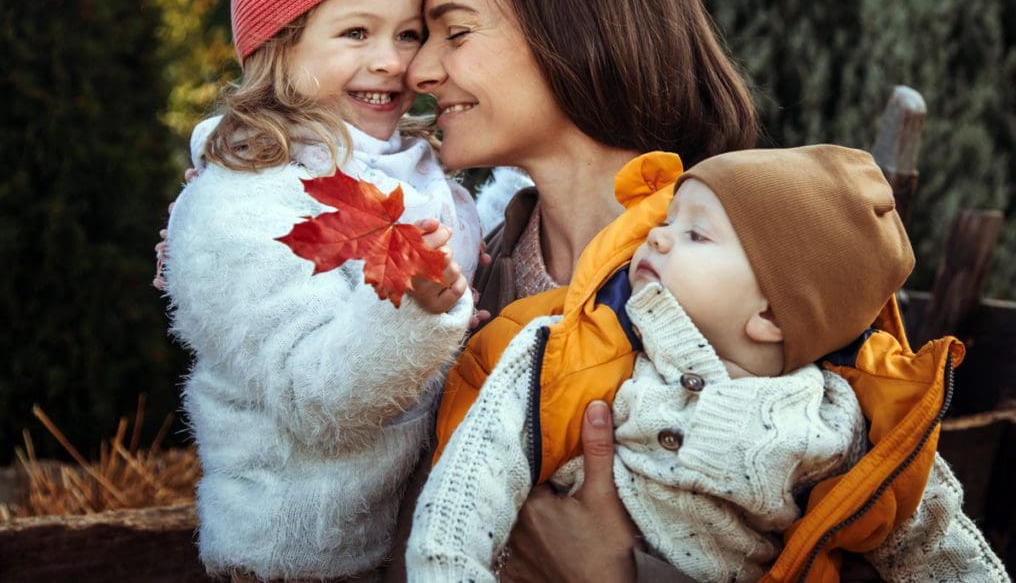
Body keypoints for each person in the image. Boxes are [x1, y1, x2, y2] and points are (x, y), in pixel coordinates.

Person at [408, 145, 1007, 582]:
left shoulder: (853, 430)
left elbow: (939, 548)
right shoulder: (573, 353)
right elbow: (470, 485)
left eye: (697, 236)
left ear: (771, 316)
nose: (658, 238)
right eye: (666, 222)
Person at [387, 0, 759, 581]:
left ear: (572, 27)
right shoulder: (466, 281)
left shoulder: (756, 267)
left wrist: (612, 574)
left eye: (456, 31)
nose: (420, 70)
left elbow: (873, 534)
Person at [161, 0, 483, 582]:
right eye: (355, 32)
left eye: (408, 33)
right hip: (300, 556)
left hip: (414, 541)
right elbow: (317, 399)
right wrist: (416, 310)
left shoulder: (425, 174)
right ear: (279, 43)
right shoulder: (239, 205)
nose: (393, 61)